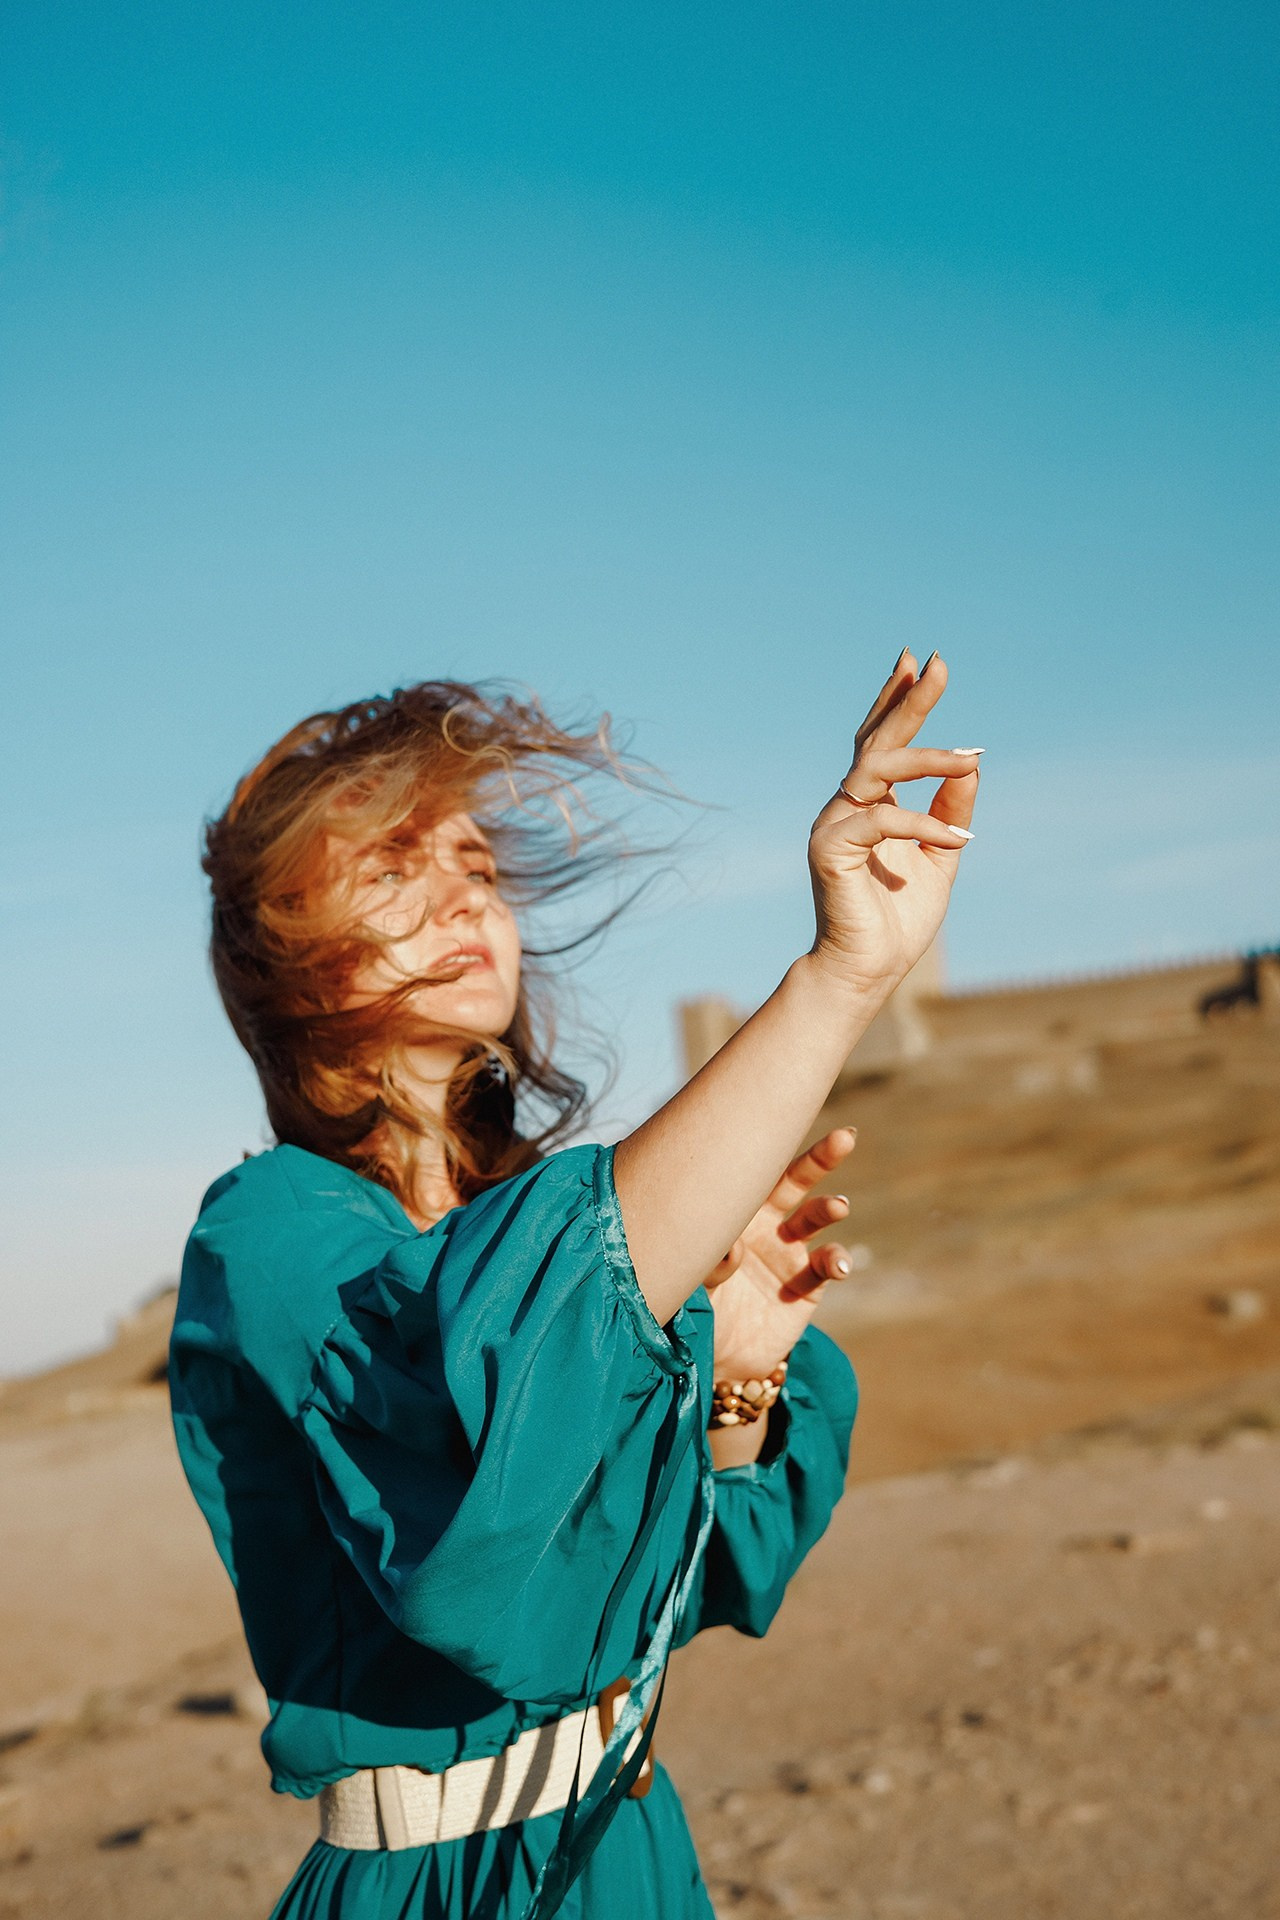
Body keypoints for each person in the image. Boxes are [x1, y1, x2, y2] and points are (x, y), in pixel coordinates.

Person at [169, 651, 979, 1920]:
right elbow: (471, 1526)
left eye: (479, 872)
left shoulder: (528, 1243)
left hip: (628, 1848)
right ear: (281, 953)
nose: (461, 899)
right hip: (437, 1887)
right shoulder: (269, 1232)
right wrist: (840, 976)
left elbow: (672, 1589)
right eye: (393, 870)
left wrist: (737, 1380)